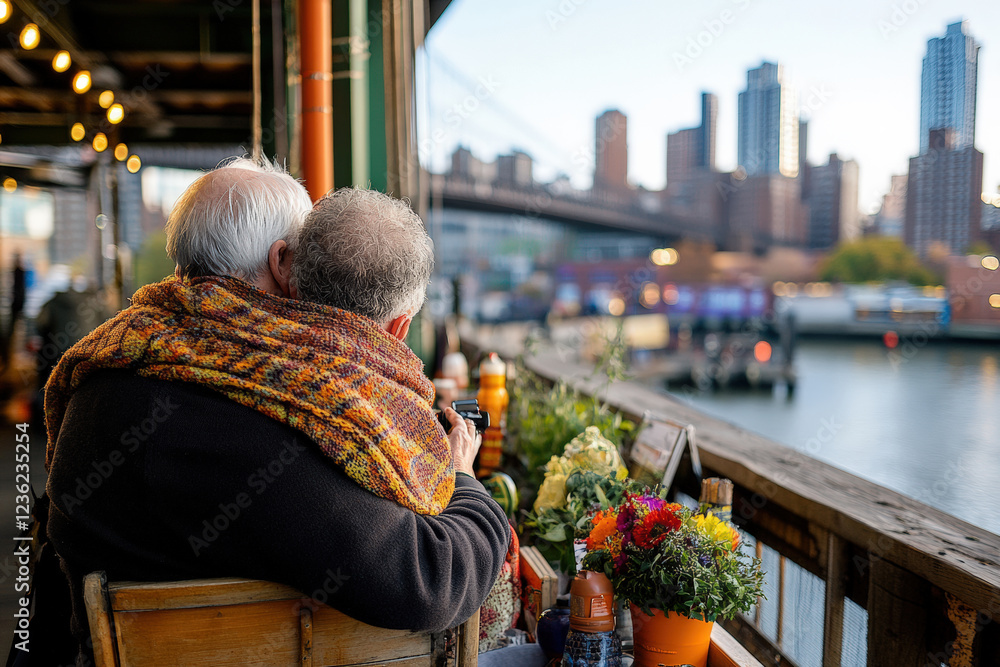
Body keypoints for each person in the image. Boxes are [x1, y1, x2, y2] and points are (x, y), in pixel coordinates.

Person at [40, 161, 510, 664]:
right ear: (283, 262)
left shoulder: (108, 366)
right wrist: (462, 477)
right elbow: (431, 579)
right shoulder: (262, 419)